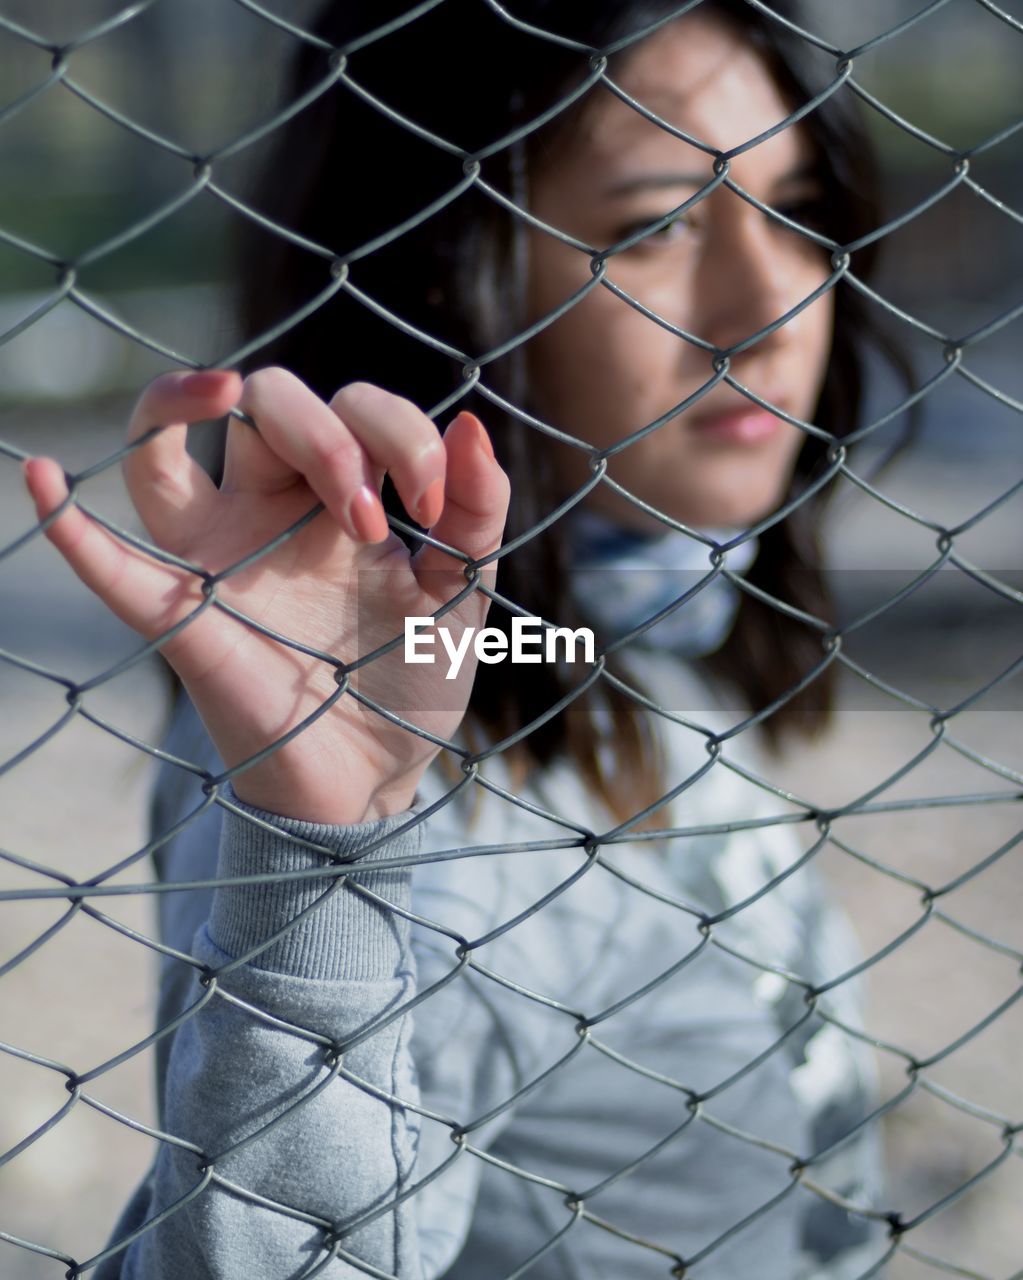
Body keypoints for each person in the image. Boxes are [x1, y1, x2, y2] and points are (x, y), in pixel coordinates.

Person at [22, 1, 908, 1275]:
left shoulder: (588, 632)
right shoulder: (433, 796)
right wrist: (320, 868)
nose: (771, 305)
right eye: (653, 227)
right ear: (448, 264)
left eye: (798, 207)